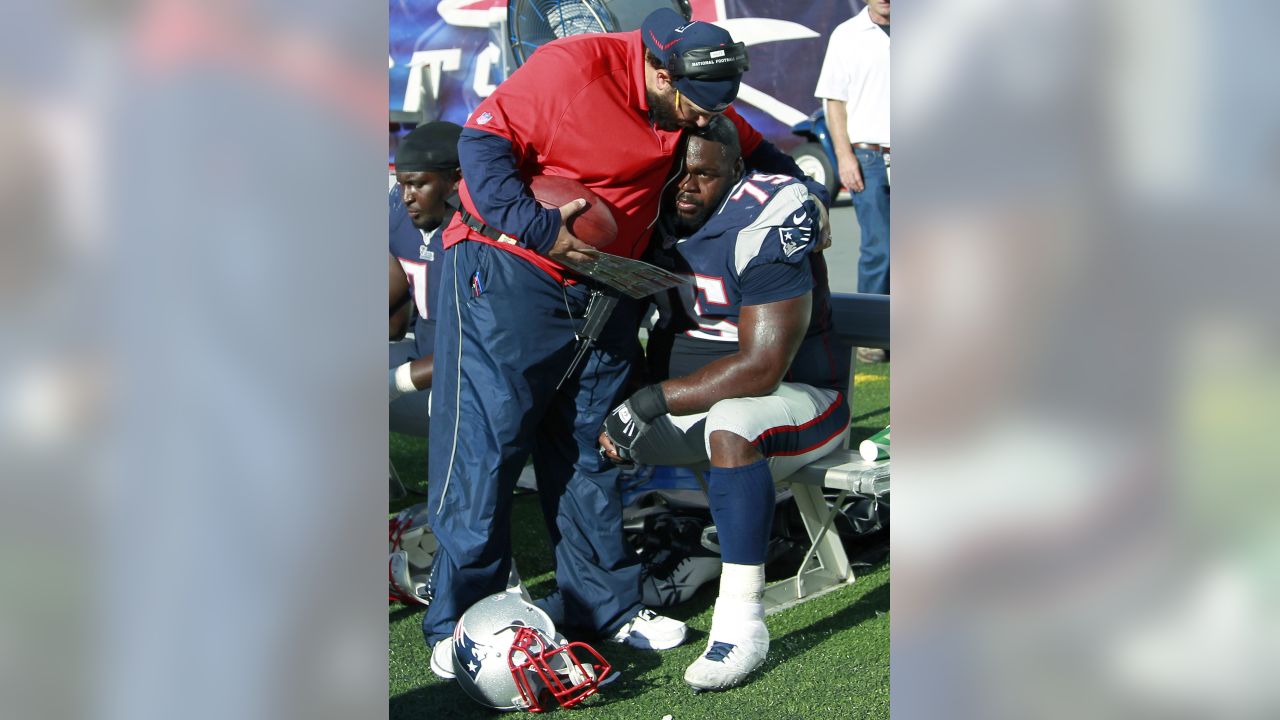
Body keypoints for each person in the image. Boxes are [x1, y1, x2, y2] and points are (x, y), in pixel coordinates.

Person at [422, 7, 829, 677]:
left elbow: (756, 151)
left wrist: (804, 195)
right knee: (487, 446)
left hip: (607, 282)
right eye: (695, 107)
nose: (705, 120)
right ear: (659, 71)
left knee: (591, 443)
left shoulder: (699, 96)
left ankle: (601, 606)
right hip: (509, 271)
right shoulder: (572, 69)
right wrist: (538, 229)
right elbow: (479, 145)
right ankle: (461, 619)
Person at [598, 116, 851, 692]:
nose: (686, 186)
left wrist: (646, 401)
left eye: (704, 175)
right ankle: (595, 590)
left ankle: (739, 622)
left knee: (733, 423)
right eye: (677, 172)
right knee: (580, 421)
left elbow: (762, 368)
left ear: (737, 173)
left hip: (801, 400)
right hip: (691, 408)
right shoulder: (651, 208)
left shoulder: (767, 215)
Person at [815, 0, 890, 363]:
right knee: (880, 248)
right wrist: (845, 157)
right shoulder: (846, 36)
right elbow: (835, 104)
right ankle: (873, 333)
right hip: (870, 156)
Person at [387, 121, 463, 403]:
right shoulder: (399, 213)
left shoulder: (482, 234)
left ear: (456, 180)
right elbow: (394, 317)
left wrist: (396, 383)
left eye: (417, 184)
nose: (407, 197)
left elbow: (481, 347)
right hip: (422, 355)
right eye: (403, 184)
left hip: (473, 375)